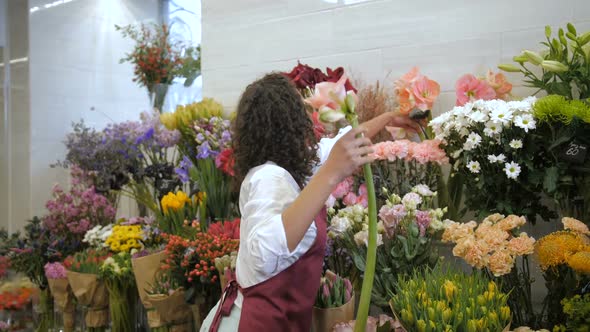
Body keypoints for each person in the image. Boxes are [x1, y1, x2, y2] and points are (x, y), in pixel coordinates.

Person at [201, 73, 419, 331]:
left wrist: (389, 118)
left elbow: (339, 147)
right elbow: (265, 252)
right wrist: (331, 173)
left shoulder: (290, 166)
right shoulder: (268, 177)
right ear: (291, 122)